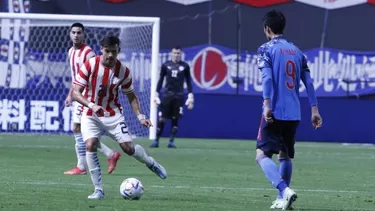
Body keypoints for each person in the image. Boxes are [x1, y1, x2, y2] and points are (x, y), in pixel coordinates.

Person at [72, 35, 167, 199]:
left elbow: (131, 96)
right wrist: (92, 105)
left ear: (118, 52)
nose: (110, 55)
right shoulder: (90, 65)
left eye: (113, 52)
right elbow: (75, 92)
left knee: (128, 149)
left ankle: (151, 163)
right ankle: (98, 190)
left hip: (113, 114)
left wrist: (140, 116)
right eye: (107, 51)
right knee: (90, 144)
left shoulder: (124, 71)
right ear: (101, 50)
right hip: (90, 112)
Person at [255, 10, 322, 210]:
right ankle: (283, 200)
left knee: (261, 155)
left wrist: (267, 105)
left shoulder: (266, 49)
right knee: (285, 155)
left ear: (267, 29)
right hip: (294, 112)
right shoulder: (296, 51)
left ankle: (284, 190)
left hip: (274, 111)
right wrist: (314, 110)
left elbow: (267, 78)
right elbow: (308, 82)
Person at [64, 23, 121, 175]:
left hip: (86, 96)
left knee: (80, 130)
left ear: (84, 35)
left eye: (79, 32)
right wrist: (70, 94)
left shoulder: (88, 53)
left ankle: (82, 166)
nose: (76, 35)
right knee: (78, 129)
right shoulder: (71, 51)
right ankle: (110, 155)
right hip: (78, 95)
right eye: (74, 32)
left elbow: (87, 77)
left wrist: (77, 95)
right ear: (70, 34)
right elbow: (75, 76)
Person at [150, 46, 194, 148]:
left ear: (181, 54)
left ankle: (171, 141)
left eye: (178, 53)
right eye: (174, 53)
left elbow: (188, 82)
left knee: (175, 118)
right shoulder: (166, 65)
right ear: (171, 53)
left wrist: (190, 96)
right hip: (167, 96)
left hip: (179, 96)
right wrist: (156, 93)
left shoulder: (185, 66)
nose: (176, 55)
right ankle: (156, 141)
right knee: (162, 119)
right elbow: (160, 80)